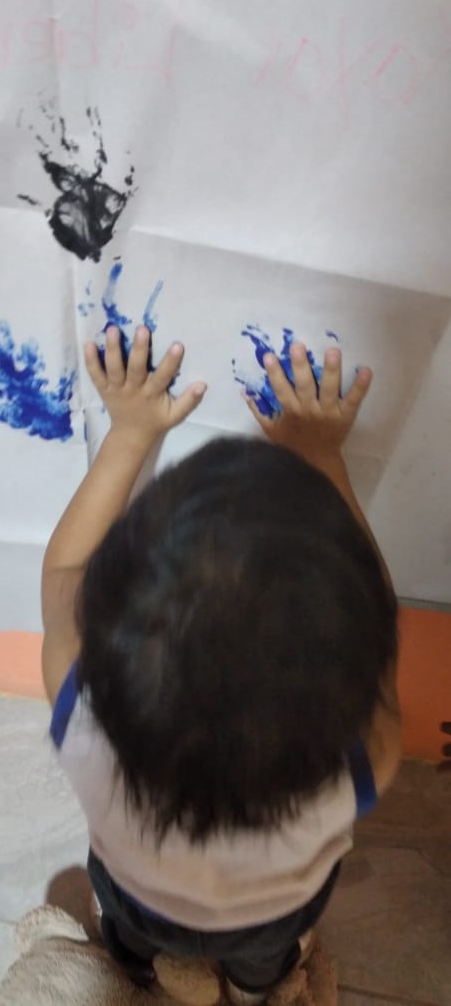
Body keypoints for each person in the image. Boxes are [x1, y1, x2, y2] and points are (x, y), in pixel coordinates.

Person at [41, 324, 401, 1004]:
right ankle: (253, 987)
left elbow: (62, 572)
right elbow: (379, 608)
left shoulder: (82, 709)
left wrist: (129, 435)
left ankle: (132, 965)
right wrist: (321, 453)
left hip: (137, 890)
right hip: (272, 913)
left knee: (126, 929)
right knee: (265, 959)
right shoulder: (366, 761)